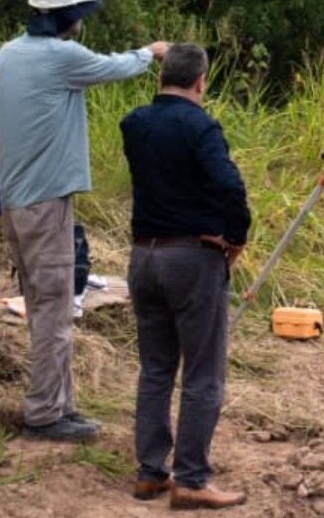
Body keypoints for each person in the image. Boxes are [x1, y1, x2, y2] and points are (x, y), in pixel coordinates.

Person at [0, 0, 168, 443]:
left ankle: (57, 404)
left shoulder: (5, 56)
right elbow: (114, 67)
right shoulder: (59, 56)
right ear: (66, 14)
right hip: (45, 203)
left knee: (41, 303)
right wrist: (150, 54)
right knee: (55, 310)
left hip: (12, 200)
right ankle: (46, 415)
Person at [120, 43, 250, 509]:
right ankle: (191, 479)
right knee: (202, 373)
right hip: (191, 259)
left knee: (155, 369)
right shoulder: (201, 126)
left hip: (143, 256)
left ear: (161, 78)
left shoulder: (134, 124)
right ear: (201, 81)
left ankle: (150, 472)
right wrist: (235, 236)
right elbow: (229, 184)